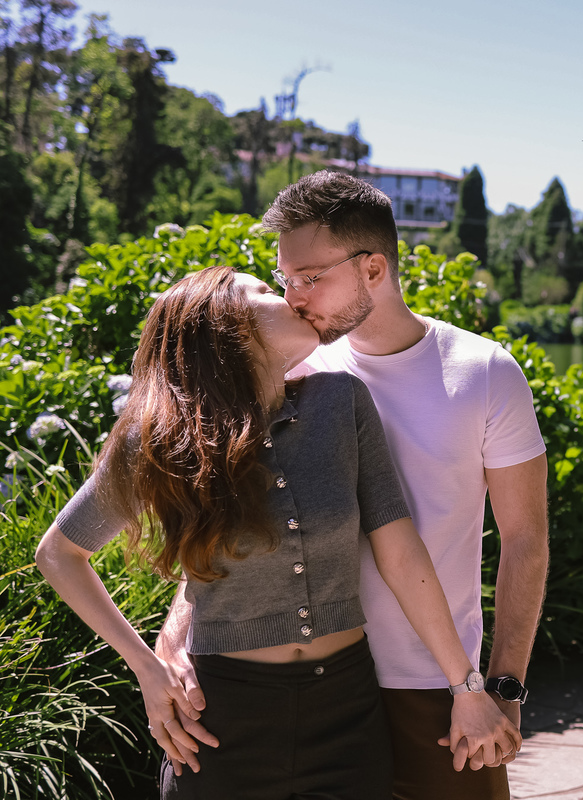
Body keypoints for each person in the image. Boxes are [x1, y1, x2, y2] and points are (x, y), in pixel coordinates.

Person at [35, 266, 519, 799]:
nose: (290, 296)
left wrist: (467, 686)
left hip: (347, 713)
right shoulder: (161, 438)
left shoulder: (341, 403)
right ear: (225, 327)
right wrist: (148, 669)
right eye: (266, 291)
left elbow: (400, 552)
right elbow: (59, 553)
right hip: (220, 724)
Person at [158, 171, 550, 799]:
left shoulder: (483, 372)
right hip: (312, 691)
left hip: (436, 690)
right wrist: (173, 639)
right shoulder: (292, 368)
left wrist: (501, 687)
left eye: (311, 278)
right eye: (286, 278)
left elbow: (526, 540)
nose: (295, 297)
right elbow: (226, 522)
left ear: (373, 269)